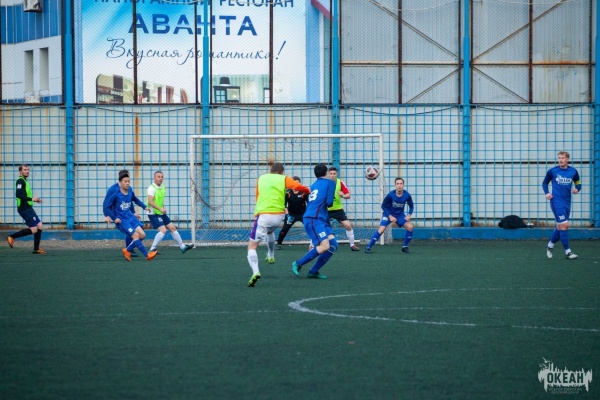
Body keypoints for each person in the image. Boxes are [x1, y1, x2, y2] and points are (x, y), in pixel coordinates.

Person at [246, 162, 310, 287]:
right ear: (282, 172)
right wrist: (308, 190)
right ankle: (271, 255)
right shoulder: (284, 178)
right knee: (270, 231)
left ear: (270, 170)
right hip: (278, 216)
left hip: (264, 214)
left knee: (252, 247)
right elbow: (298, 186)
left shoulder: (261, 178)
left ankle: (255, 272)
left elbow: (257, 196)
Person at [292, 164, 338, 279]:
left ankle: (313, 271)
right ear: (326, 173)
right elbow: (329, 203)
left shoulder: (313, 185)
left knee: (333, 244)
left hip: (320, 218)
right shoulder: (331, 183)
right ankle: (298, 263)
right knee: (325, 246)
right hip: (314, 218)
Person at [104, 172, 157, 261]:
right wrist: (114, 218)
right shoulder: (116, 194)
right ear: (120, 183)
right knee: (136, 235)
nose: (127, 183)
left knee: (142, 235)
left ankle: (127, 250)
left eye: (128, 181)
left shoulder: (130, 191)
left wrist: (144, 207)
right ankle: (147, 255)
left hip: (130, 217)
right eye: (125, 181)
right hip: (122, 220)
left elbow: (135, 200)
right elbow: (107, 206)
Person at [542, 151, 582, 259]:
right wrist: (547, 193)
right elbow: (545, 183)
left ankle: (550, 246)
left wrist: (577, 189)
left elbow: (578, 183)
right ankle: (568, 252)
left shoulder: (573, 171)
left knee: (560, 227)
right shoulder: (553, 171)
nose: (560, 160)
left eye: (563, 158)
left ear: (567, 159)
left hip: (567, 202)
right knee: (565, 225)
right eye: (559, 158)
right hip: (556, 201)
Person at [146, 171, 194, 254]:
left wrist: (162, 209)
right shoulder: (151, 188)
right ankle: (152, 249)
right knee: (163, 230)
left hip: (160, 212)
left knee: (172, 228)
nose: (160, 178)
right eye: (158, 177)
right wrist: (160, 209)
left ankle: (182, 247)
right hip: (153, 213)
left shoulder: (163, 187)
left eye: (162, 177)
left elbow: (160, 200)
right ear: (154, 178)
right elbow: (150, 202)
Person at [364, 177, 414, 254]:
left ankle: (405, 247)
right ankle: (368, 247)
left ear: (403, 185)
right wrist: (390, 216)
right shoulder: (391, 195)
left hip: (400, 215)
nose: (399, 185)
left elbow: (411, 206)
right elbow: (383, 206)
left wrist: (409, 215)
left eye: (401, 184)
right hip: (388, 214)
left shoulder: (407, 195)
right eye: (397, 184)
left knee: (410, 226)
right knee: (382, 229)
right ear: (395, 185)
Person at [6, 164, 45, 254]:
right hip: (24, 208)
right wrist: (31, 199)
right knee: (34, 229)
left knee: (40, 226)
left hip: (28, 207)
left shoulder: (24, 180)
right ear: (20, 172)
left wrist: (35, 200)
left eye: (28, 170)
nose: (27, 171)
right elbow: (18, 194)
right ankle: (11, 237)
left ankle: (36, 249)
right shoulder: (20, 181)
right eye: (25, 170)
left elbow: (24, 194)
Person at [103, 169, 139, 257]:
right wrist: (107, 215)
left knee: (134, 230)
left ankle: (129, 249)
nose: (128, 181)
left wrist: (133, 212)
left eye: (128, 178)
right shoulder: (113, 189)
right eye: (126, 178)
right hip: (117, 214)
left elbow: (129, 201)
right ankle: (129, 249)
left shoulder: (128, 188)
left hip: (126, 214)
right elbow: (106, 203)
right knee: (130, 231)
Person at [327, 166, 359, 251]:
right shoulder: (325, 183)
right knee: (318, 226)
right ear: (328, 174)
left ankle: (352, 245)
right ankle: (312, 246)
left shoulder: (340, 182)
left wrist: (343, 195)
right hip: (326, 209)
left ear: (336, 174)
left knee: (348, 225)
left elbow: (348, 195)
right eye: (331, 174)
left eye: (334, 174)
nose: (332, 175)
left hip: (338, 209)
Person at [276, 176, 308, 249]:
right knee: (284, 229)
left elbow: (309, 203)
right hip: (291, 215)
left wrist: (307, 214)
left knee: (310, 227)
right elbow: (284, 205)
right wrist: (287, 214)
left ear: (300, 184)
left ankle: (315, 244)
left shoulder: (304, 192)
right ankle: (279, 243)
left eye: (298, 183)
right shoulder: (287, 192)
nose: (296, 185)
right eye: (294, 183)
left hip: (303, 215)